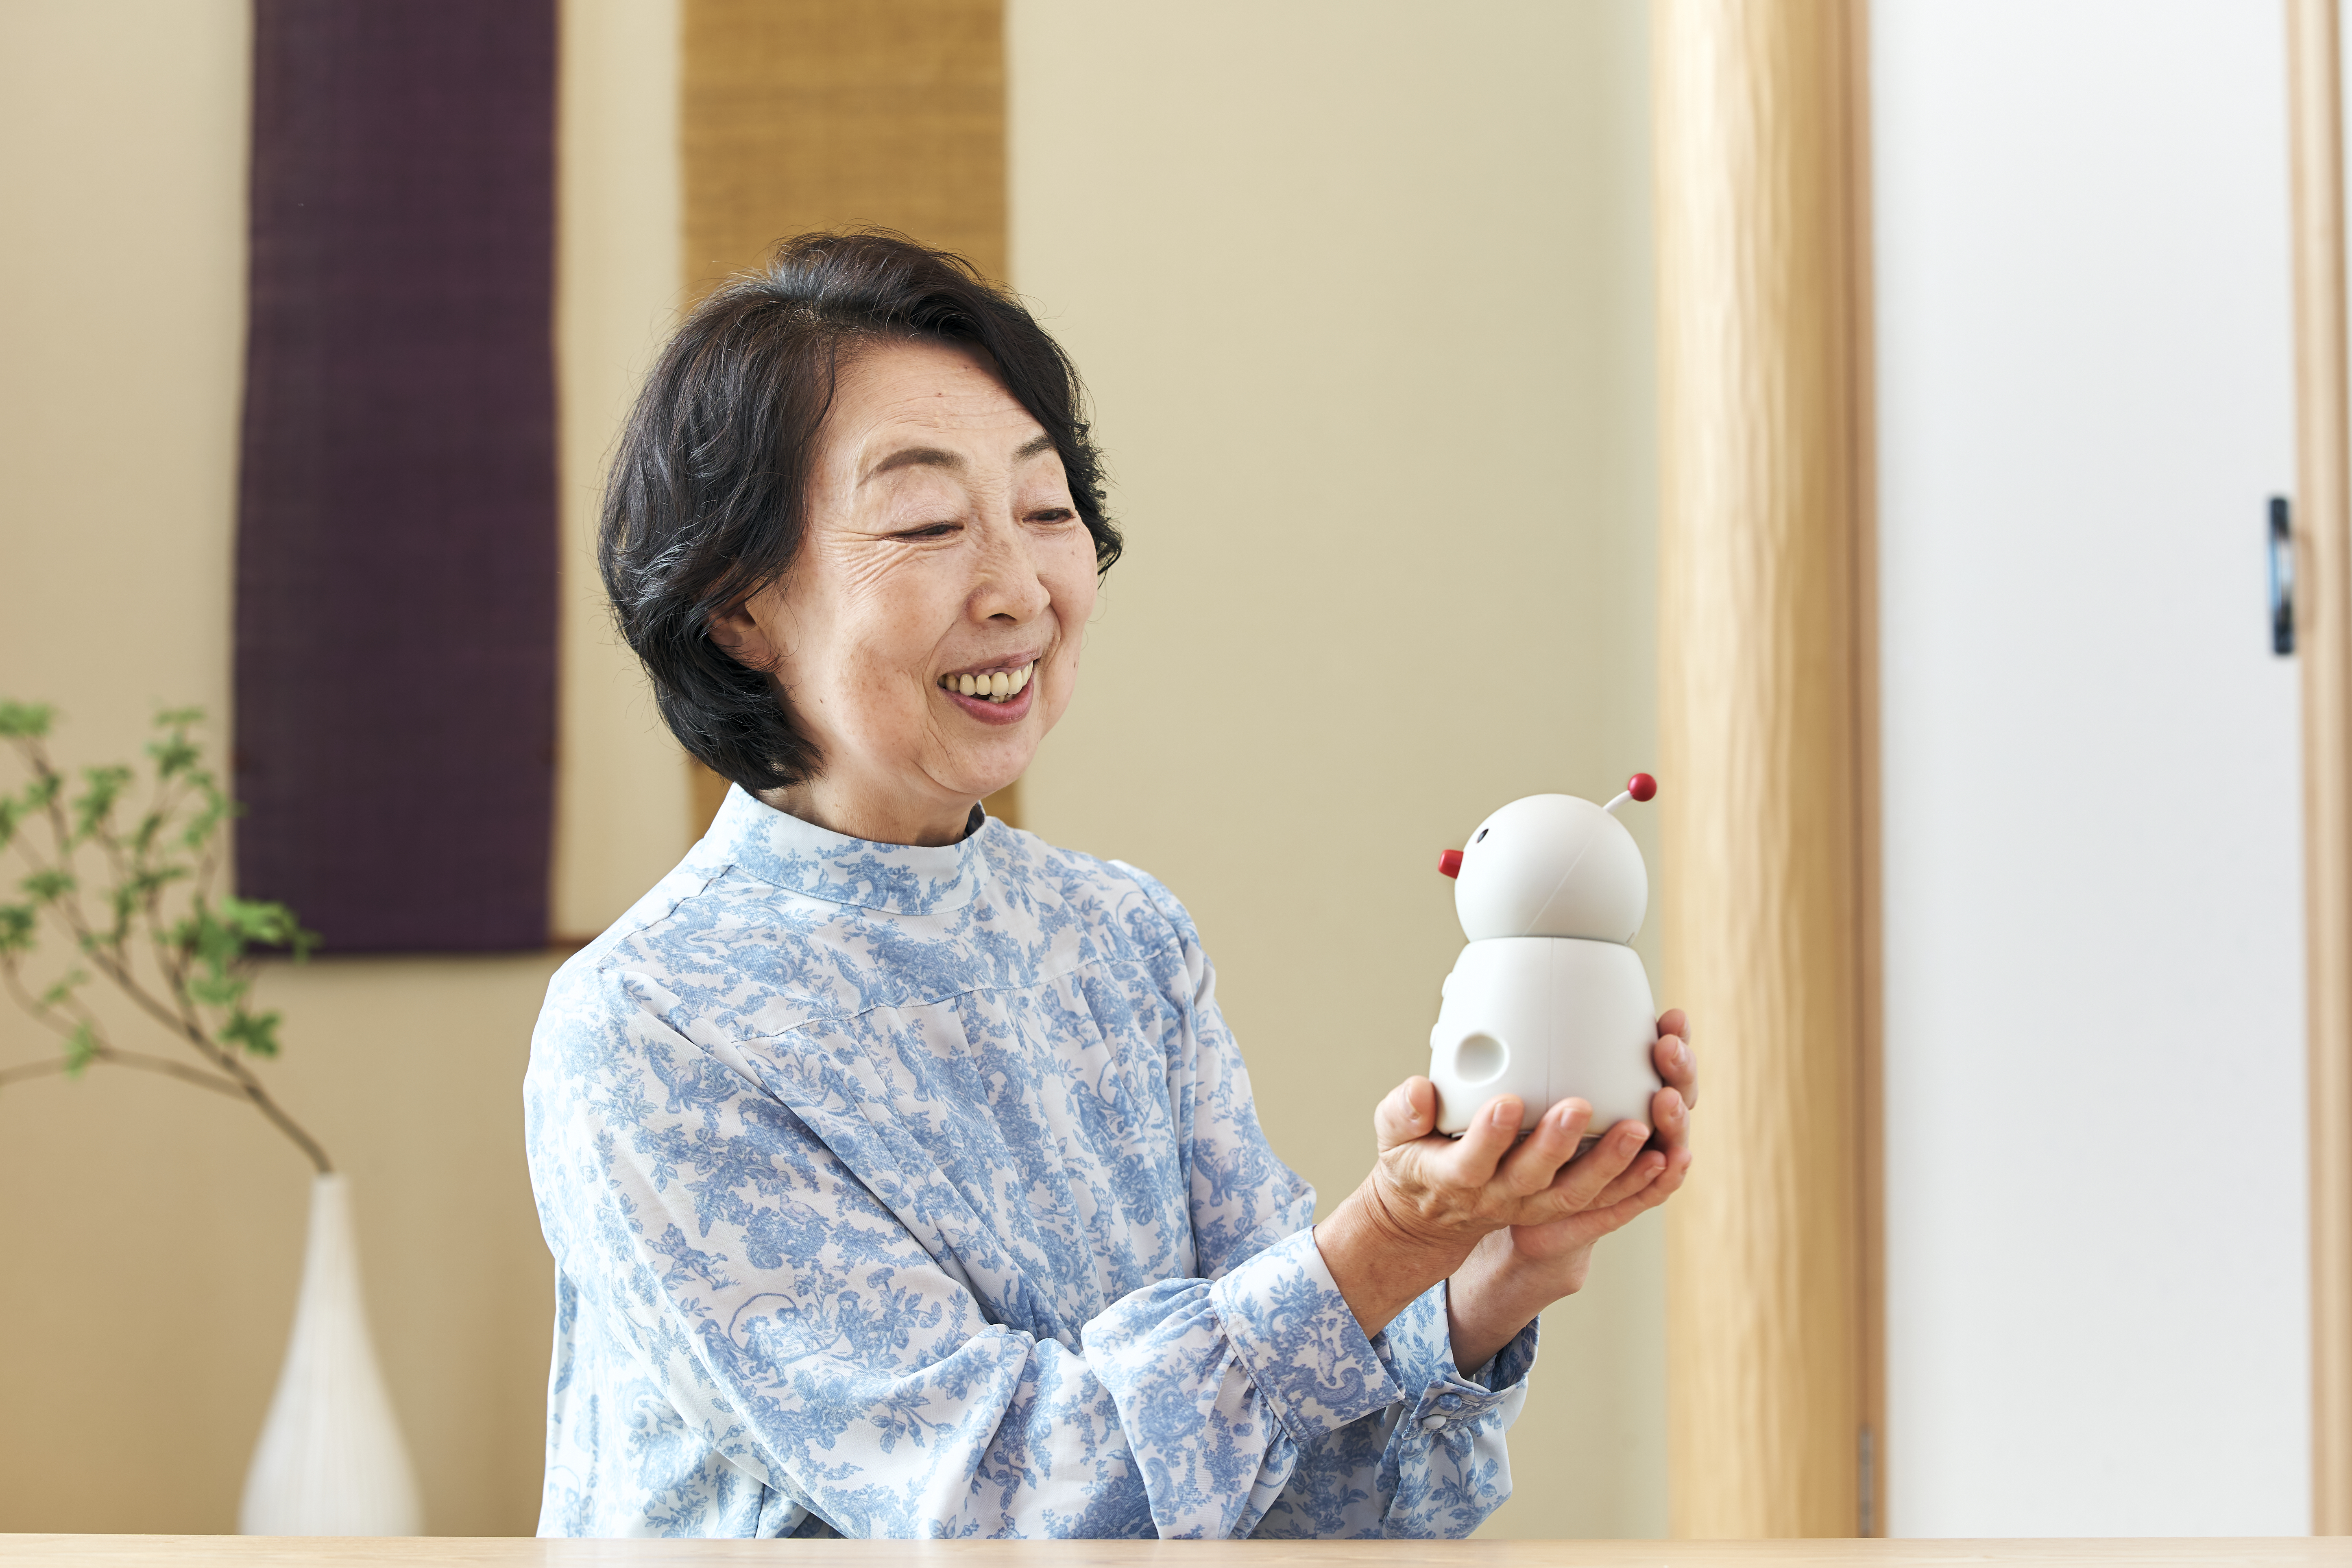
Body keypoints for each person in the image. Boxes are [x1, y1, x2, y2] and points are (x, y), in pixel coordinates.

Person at [522, 231, 1698, 1540]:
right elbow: (1003, 1502)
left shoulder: (1125, 940)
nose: (1021, 588)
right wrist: (1383, 1247)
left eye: (1046, 511)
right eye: (923, 523)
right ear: (740, 605)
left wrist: (1484, 1274)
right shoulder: (650, 1027)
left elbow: (1280, 1498)